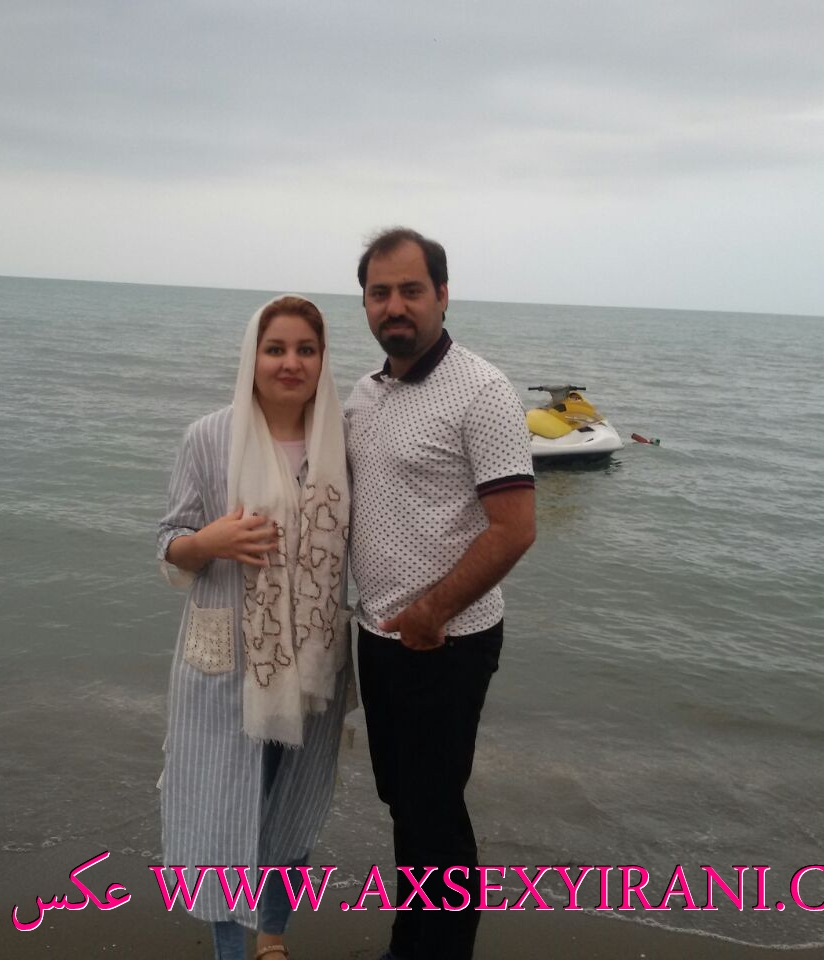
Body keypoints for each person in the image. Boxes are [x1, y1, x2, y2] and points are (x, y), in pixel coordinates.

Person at [344, 228, 537, 960]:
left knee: (435, 814)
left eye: (411, 290)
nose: (395, 306)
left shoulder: (481, 391)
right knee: (403, 802)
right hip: (379, 635)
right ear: (366, 303)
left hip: (447, 641)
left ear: (443, 295)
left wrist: (432, 612)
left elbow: (515, 528)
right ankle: (409, 944)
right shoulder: (364, 394)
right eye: (380, 292)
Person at [157, 295, 353, 960]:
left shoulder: (343, 441)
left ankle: (273, 935)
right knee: (223, 812)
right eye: (276, 349)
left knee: (291, 807)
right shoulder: (211, 437)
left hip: (314, 662)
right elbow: (169, 544)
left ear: (323, 360)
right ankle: (231, 950)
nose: (290, 362)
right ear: (253, 356)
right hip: (229, 664)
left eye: (306, 349)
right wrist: (206, 541)